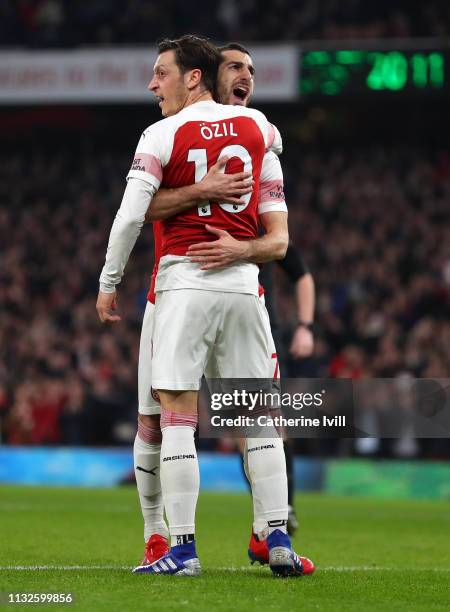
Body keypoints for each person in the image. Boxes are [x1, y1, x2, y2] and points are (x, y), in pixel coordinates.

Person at [97, 35, 304, 577]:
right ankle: (277, 535)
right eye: (237, 67)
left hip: (183, 286)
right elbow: (278, 229)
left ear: (192, 77)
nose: (151, 84)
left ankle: (181, 549)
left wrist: (107, 281)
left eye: (160, 72)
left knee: (176, 420)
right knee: (259, 419)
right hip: (243, 290)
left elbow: (129, 216)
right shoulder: (263, 130)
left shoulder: (161, 133)